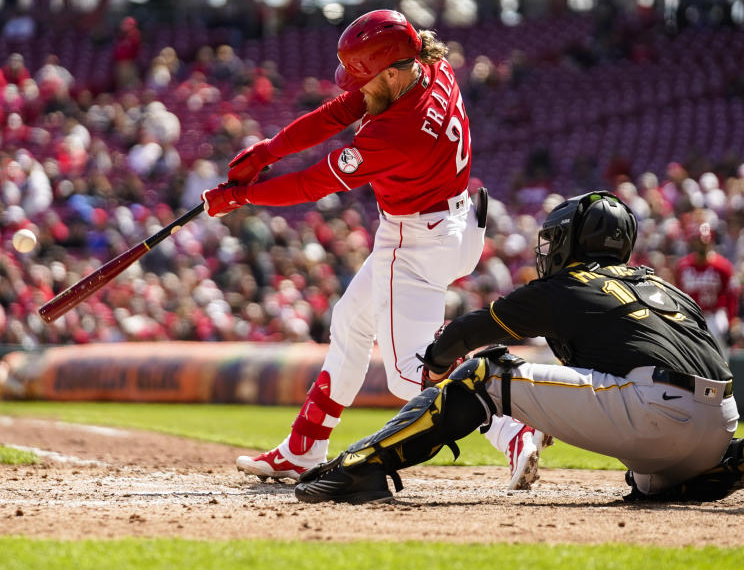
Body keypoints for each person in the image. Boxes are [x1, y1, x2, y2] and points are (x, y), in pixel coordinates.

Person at [202, 9, 548, 489]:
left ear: (390, 71)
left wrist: (241, 196)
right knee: (350, 322)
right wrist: (266, 152)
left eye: (365, 77)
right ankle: (303, 448)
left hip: (414, 243)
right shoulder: (429, 69)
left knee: (407, 376)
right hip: (455, 223)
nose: (356, 87)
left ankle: (513, 427)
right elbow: (341, 109)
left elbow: (311, 184)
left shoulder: (394, 132)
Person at [295, 192, 742, 505]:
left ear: (571, 241)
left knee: (481, 374)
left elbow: (468, 332)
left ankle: (363, 464)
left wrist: (433, 364)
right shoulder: (662, 284)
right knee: (646, 479)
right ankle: (707, 471)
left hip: (653, 414)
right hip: (719, 425)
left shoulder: (568, 285)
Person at [675, 223, 739, 349]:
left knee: (719, 358)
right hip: (691, 317)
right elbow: (677, 295)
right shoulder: (683, 267)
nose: (703, 244)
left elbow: (731, 296)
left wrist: (732, 321)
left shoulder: (723, 266)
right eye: (699, 241)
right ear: (693, 242)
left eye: (705, 240)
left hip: (714, 316)